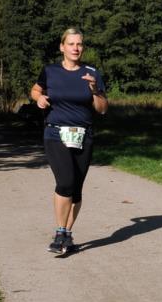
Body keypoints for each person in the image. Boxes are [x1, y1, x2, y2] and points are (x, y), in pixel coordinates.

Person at [30, 28, 108, 254]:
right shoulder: (50, 71)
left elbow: (102, 109)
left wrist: (95, 90)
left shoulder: (92, 73)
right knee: (65, 182)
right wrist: (40, 98)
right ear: (62, 47)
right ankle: (59, 232)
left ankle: (67, 234)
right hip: (56, 133)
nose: (76, 48)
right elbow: (35, 90)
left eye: (80, 44)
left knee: (76, 189)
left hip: (84, 135)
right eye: (71, 44)